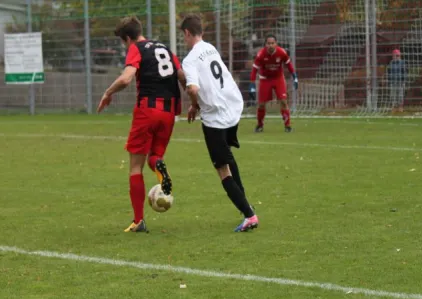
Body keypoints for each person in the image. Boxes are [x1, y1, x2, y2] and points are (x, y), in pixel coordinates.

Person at [98, 16, 185, 233]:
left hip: (148, 110)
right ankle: (160, 170)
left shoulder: (137, 48)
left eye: (122, 41)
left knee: (135, 166)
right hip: (169, 112)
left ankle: (138, 221)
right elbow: (182, 76)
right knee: (154, 157)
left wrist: (108, 93)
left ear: (128, 38)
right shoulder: (165, 48)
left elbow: (127, 78)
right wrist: (193, 101)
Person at [180, 14, 258, 233]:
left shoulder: (190, 59)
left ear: (187, 33)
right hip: (232, 108)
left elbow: (193, 88)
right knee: (229, 157)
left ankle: (250, 216)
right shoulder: (210, 48)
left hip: (215, 117)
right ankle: (246, 207)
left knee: (222, 169)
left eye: (184, 36)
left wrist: (194, 105)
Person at [249, 35, 298, 133]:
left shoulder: (281, 52)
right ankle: (259, 125)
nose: (270, 45)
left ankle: (287, 126)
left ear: (276, 44)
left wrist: (295, 78)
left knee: (283, 101)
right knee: (262, 105)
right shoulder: (261, 54)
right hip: (265, 79)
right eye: (268, 43)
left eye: (272, 43)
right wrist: (252, 85)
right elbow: (254, 70)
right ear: (265, 44)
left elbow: (289, 65)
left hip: (278, 78)